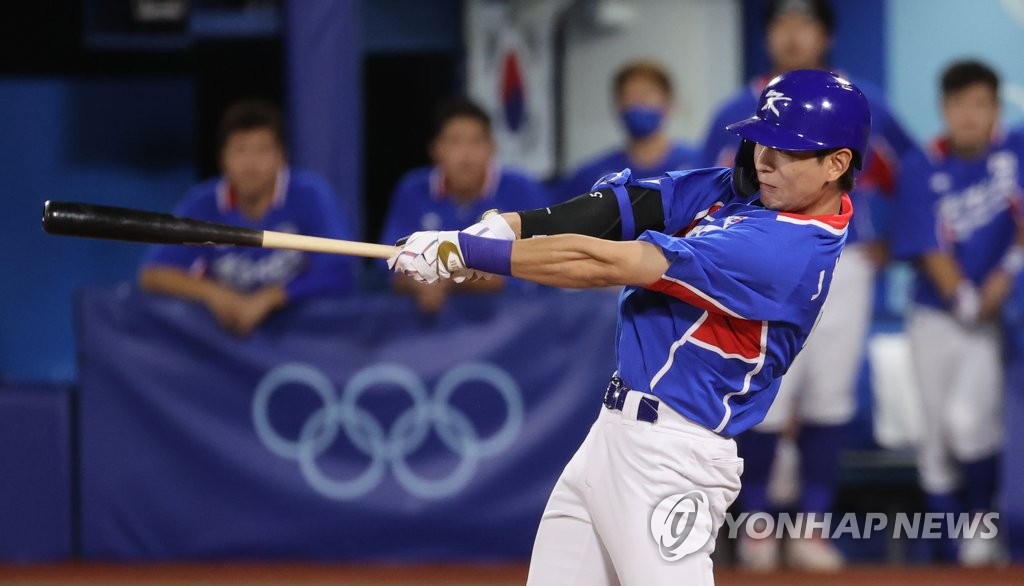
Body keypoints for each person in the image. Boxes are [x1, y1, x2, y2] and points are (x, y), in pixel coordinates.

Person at [389, 70, 870, 585]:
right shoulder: (750, 190)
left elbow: (604, 264)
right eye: (760, 142)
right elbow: (629, 207)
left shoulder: (785, 252)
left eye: (786, 149)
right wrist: (506, 228)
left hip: (671, 461)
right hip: (611, 437)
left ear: (836, 164)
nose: (763, 160)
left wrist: (469, 252)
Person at [699, 0, 920, 570]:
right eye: (781, 24)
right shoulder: (738, 106)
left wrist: (893, 244)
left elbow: (914, 172)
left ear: (824, 35)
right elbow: (705, 190)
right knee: (761, 392)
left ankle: (814, 528)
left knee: (830, 393)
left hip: (842, 260)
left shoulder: (861, 101)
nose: (793, 36)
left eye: (805, 25)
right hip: (762, 263)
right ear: (768, 34)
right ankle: (756, 527)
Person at [890, 60, 1024, 566]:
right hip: (935, 315)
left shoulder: (1016, 150)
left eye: (981, 105)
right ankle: (947, 555)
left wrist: (1005, 272)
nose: (971, 116)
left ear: (995, 108)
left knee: (969, 424)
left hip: (994, 319)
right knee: (934, 441)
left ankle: (980, 524)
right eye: (960, 105)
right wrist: (965, 296)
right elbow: (929, 247)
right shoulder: (923, 164)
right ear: (944, 108)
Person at [139, 99, 356, 336]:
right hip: (224, 345)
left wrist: (272, 298)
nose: (251, 164)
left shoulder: (310, 194)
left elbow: (341, 268)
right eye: (240, 150)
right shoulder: (201, 203)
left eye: (262, 150)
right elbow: (154, 273)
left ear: (282, 157)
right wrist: (215, 294)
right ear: (222, 159)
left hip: (305, 341)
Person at [381, 96, 548, 313]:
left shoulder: (522, 188)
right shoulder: (412, 190)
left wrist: (450, 278)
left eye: (476, 141)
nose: (466, 154)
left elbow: (539, 265)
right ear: (436, 149)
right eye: (455, 142)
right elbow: (390, 263)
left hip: (516, 323)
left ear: (492, 148)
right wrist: (416, 283)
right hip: (429, 331)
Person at [557, 59, 698, 198]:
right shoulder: (593, 177)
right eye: (628, 96)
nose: (635, 104)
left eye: (645, 95)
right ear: (617, 105)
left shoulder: (698, 167)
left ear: (669, 104)